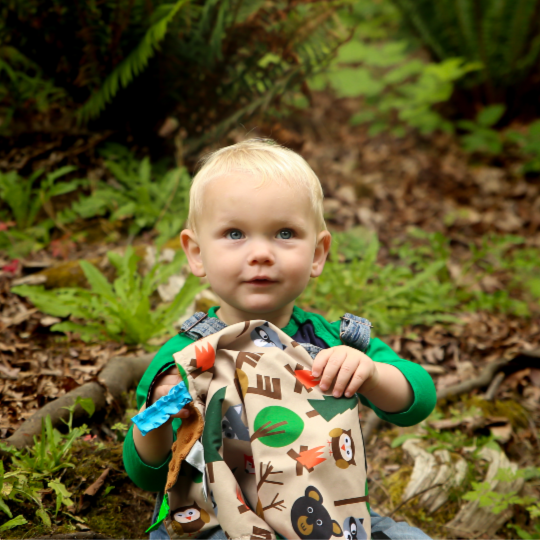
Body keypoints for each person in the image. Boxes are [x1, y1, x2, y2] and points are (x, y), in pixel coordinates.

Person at [123, 139, 437, 539]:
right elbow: (145, 473)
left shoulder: (332, 340)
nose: (261, 253)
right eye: (234, 233)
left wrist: (372, 374)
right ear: (196, 253)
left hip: (333, 518)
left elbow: (417, 401)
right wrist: (161, 414)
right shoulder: (183, 357)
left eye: (284, 233)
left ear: (318, 253)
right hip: (217, 522)